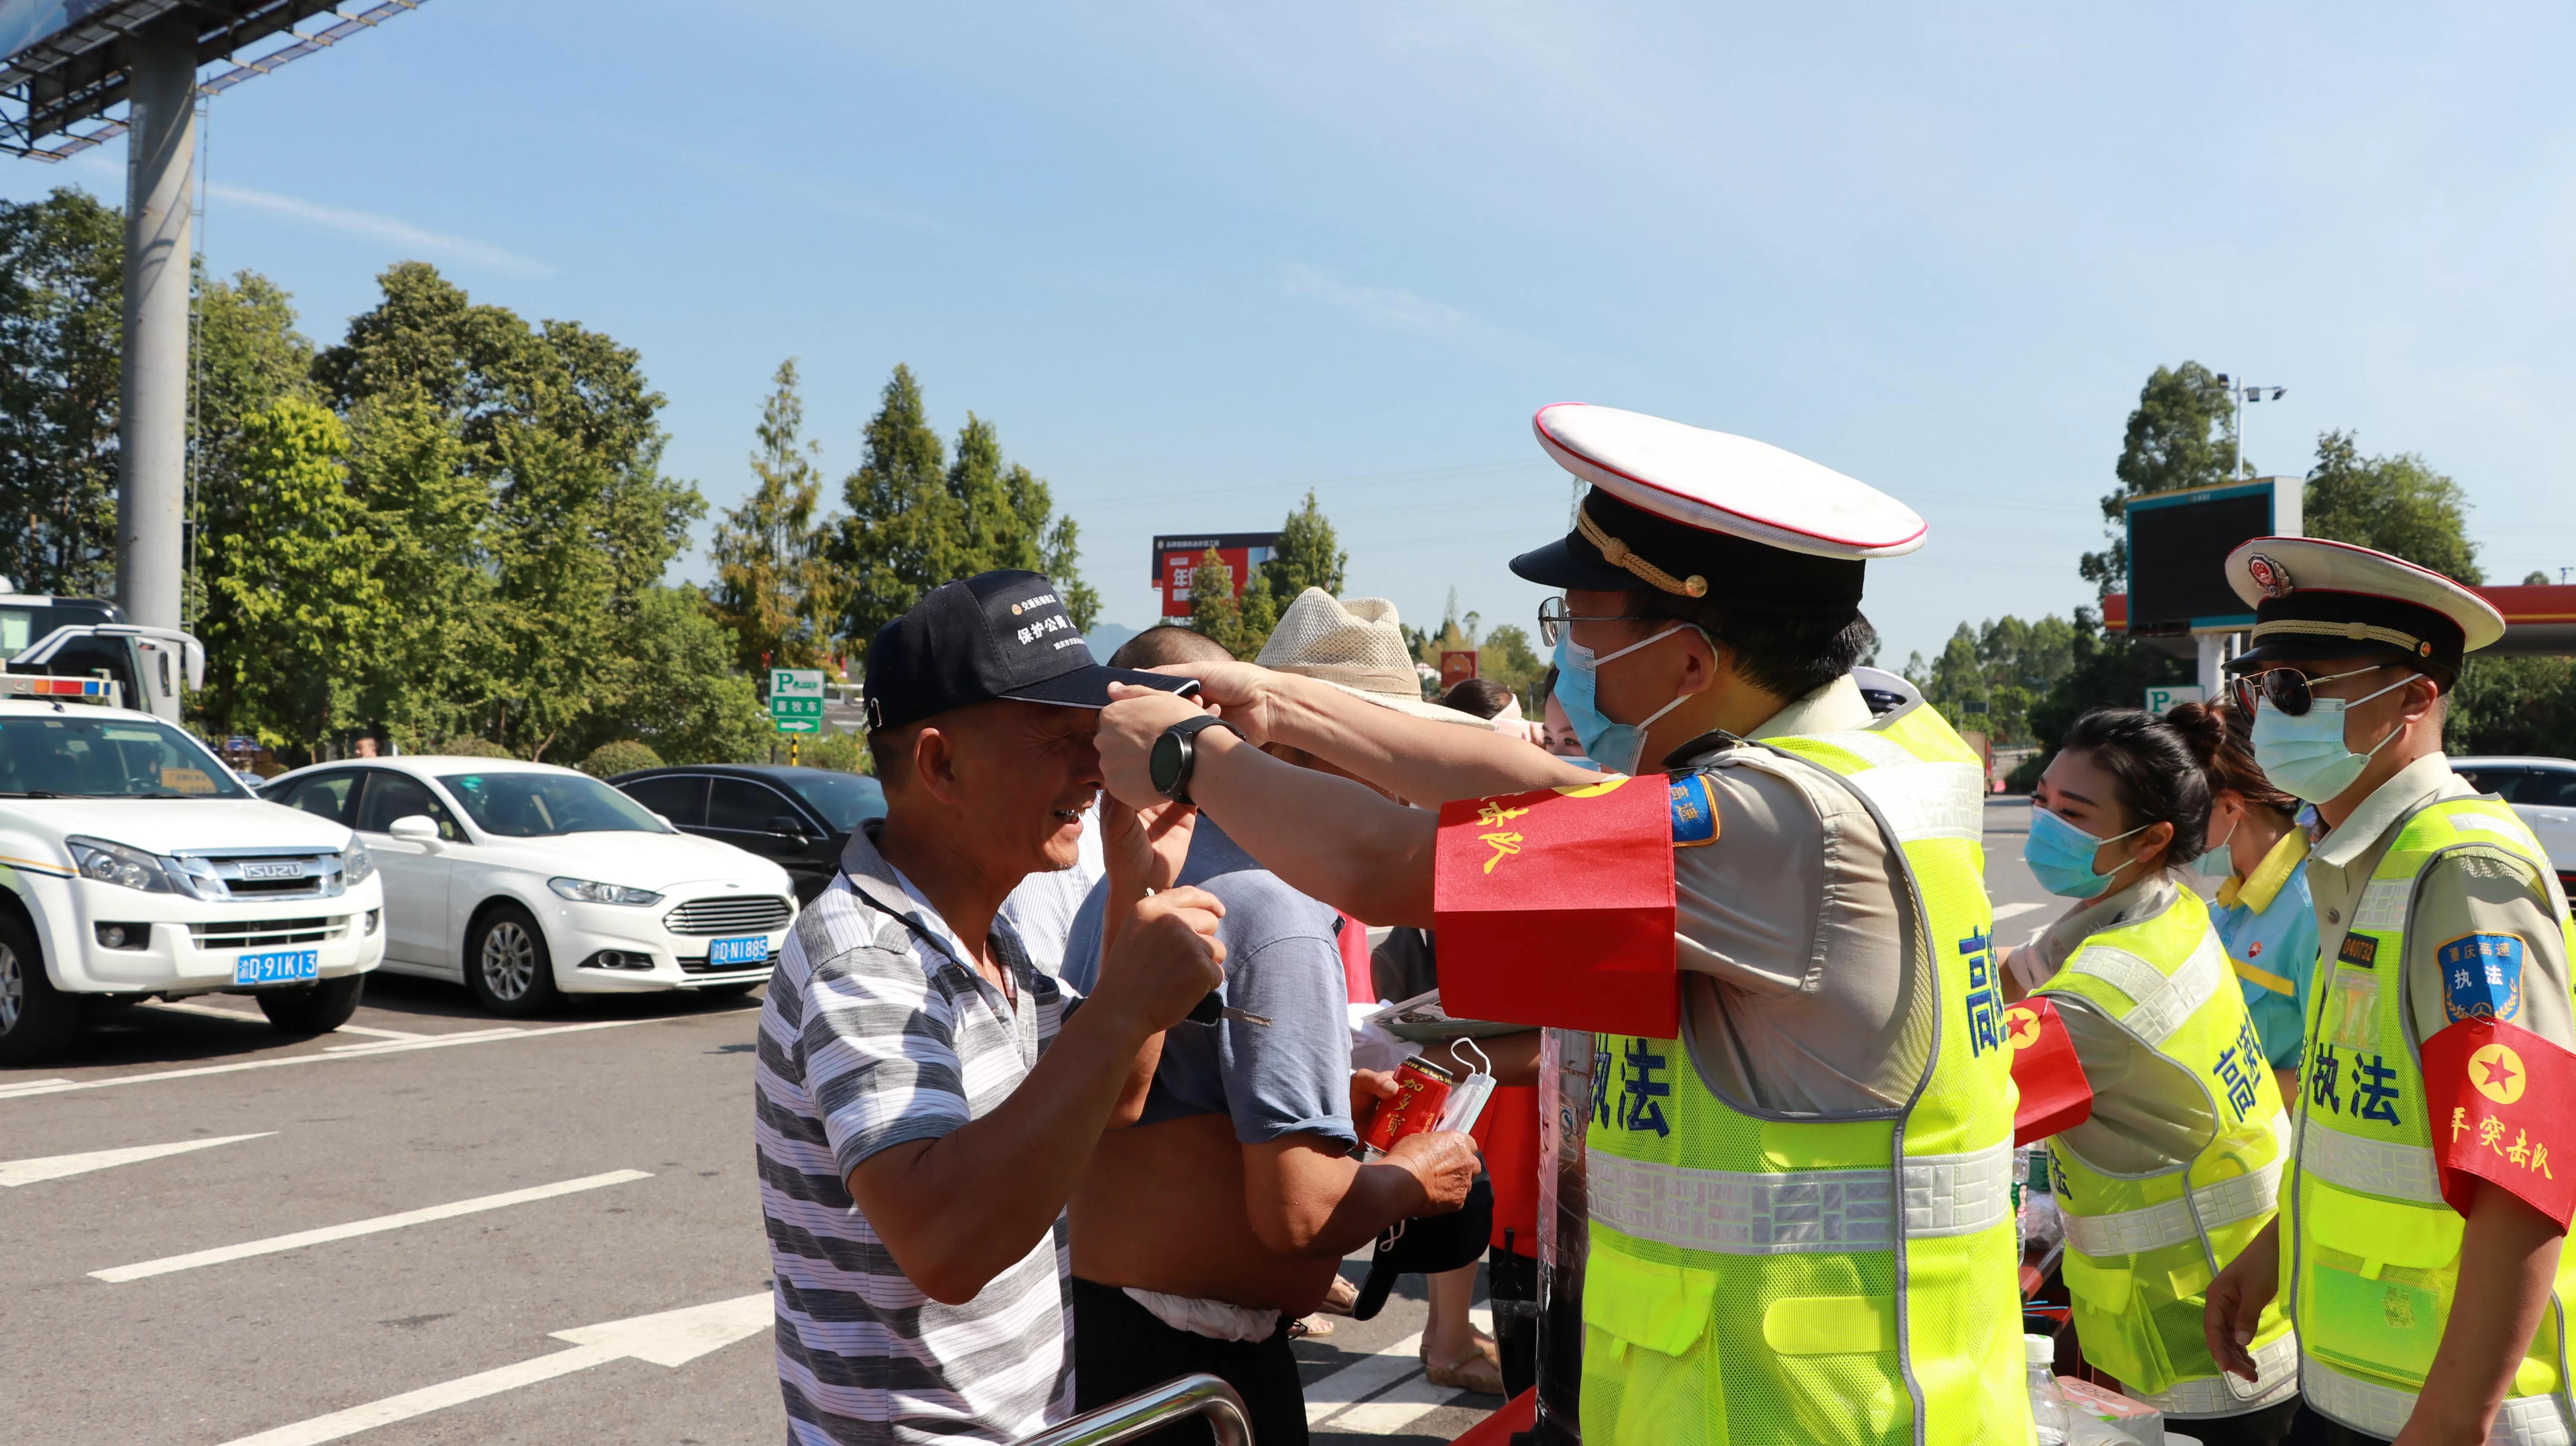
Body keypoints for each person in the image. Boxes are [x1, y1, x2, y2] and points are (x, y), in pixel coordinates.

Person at [1091, 403, 2029, 1445]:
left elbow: (1382, 863)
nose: (1570, 653)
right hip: (1796, 1389)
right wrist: (1277, 703)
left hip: (1805, 1409)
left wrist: (1191, 756)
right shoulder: (1875, 755)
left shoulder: (1777, 824)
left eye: (1582, 622)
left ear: (1690, 661)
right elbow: (1544, 785)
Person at [755, 571, 1229, 1446]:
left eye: (1096, 736)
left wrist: (1137, 888)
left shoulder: (985, 935)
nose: (1097, 770)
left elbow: (1114, 1101)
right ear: (940, 763)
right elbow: (946, 1246)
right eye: (1062, 737)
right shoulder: (868, 954)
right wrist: (1124, 1004)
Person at [1061, 614, 1481, 1443]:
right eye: (1381, 757)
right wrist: (1419, 1174)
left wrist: (1326, 1102)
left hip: (1106, 1341)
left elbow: (1170, 1101)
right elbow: (1301, 1214)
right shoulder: (1278, 910)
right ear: (1290, 753)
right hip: (1197, 1370)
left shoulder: (1140, 876)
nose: (1403, 795)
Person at [2200, 538, 2576, 1446]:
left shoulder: (2462, 870)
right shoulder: (2358, 860)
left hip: (2452, 1418)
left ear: (2413, 697)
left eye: (2298, 689)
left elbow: (2523, 1171)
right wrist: (2275, 1249)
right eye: (2260, 690)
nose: (2268, 715)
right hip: (2360, 1394)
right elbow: (2370, 1124)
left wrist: (2452, 1418)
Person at [2002, 707, 2298, 1444]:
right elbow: (2020, 970)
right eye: (2041, 800)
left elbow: (1955, 1100)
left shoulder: (2103, 996)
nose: (2045, 825)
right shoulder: (2166, 911)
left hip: (2200, 1348)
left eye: (2073, 813)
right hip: (2243, 1301)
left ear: (2149, 839)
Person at [2187, 699, 2320, 1101]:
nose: (2177, 831)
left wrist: (2214, 1095)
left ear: (2230, 807)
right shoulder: (2229, 903)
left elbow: (2334, 1074)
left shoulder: (2313, 911)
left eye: (2184, 814)